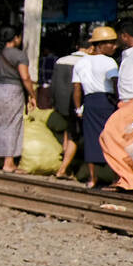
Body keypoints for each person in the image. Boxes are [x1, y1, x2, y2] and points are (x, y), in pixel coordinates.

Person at [72, 25, 120, 189]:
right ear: (100, 44)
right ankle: (115, 177)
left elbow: (76, 88)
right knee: (111, 138)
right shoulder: (109, 62)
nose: (115, 46)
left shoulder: (81, 62)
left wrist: (78, 108)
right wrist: (118, 101)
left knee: (92, 139)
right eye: (111, 43)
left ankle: (92, 179)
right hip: (106, 101)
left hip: (89, 102)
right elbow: (115, 83)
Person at [0, 26, 36, 172]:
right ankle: (8, 163)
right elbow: (25, 77)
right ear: (15, 38)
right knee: (12, 125)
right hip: (11, 91)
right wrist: (33, 95)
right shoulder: (20, 55)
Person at [99, 20, 133, 192]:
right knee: (128, 141)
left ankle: (130, 179)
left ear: (125, 36)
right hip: (127, 103)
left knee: (109, 135)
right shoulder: (129, 54)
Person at [50, 39, 91, 179]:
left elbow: (53, 84)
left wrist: (53, 101)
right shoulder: (88, 61)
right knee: (74, 134)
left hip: (61, 103)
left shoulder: (61, 60)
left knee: (67, 132)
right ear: (90, 48)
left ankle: (64, 162)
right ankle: (64, 168)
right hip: (78, 103)